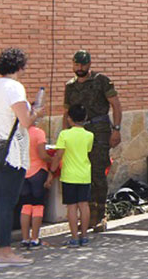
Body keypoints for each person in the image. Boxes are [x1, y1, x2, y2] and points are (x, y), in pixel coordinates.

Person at [63, 49, 122, 232]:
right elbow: (66, 112)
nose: (79, 68)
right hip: (78, 132)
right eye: (76, 64)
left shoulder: (101, 81)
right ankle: (86, 216)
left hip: (99, 131)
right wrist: (65, 134)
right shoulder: (70, 86)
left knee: (97, 173)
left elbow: (116, 104)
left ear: (89, 64)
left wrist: (116, 129)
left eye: (83, 64)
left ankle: (100, 216)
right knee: (82, 174)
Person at [0, 48, 35, 267]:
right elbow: (26, 122)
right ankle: (5, 252)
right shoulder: (14, 88)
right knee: (7, 203)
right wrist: (37, 112)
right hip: (12, 154)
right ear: (20, 67)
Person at [52, 104, 94, 247]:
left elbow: (59, 155)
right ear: (85, 118)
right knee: (84, 205)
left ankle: (74, 237)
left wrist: (52, 171)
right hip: (84, 174)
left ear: (69, 118)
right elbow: (87, 151)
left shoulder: (64, 134)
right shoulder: (90, 135)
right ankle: (85, 236)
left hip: (69, 175)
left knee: (71, 207)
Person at [17, 108, 50, 249]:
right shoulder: (39, 133)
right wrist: (52, 159)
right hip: (38, 171)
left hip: (23, 172)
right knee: (38, 206)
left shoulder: (19, 133)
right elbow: (43, 155)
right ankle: (35, 238)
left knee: (25, 206)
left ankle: (25, 238)